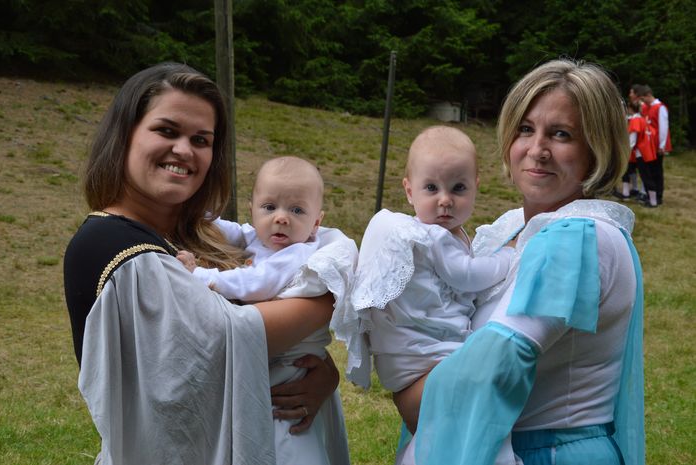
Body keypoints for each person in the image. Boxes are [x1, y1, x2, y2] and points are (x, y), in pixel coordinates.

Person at [63, 62, 342, 465]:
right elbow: (216, 340)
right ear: (125, 134)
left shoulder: (202, 235)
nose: (184, 150)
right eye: (166, 130)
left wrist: (320, 370)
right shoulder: (109, 244)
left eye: (201, 139)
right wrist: (328, 297)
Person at [397, 59, 644, 465]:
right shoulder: (512, 229)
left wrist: (403, 388)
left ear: (596, 148)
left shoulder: (576, 238)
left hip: (549, 453)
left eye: (561, 134)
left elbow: (490, 369)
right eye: (526, 129)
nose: (537, 150)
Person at [347, 126, 515, 464]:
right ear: (409, 191)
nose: (445, 200)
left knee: (444, 437)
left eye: (458, 188)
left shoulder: (447, 233)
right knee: (478, 403)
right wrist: (509, 257)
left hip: (408, 365)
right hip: (424, 356)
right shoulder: (431, 236)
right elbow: (468, 275)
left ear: (476, 186)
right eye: (431, 188)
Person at [177, 155, 355, 465]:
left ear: (316, 222)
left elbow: (256, 283)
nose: (281, 218)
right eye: (269, 207)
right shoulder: (258, 237)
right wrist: (200, 217)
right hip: (264, 353)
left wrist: (201, 276)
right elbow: (231, 231)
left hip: (287, 363)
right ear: (253, 210)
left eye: (297, 210)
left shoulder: (297, 252)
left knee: (283, 435)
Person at [637, 85, 671, 205]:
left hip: (656, 146)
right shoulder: (648, 107)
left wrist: (661, 145)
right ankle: (652, 195)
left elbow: (663, 127)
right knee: (650, 171)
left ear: (648, 95)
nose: (643, 101)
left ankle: (658, 196)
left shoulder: (660, 107)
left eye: (643, 98)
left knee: (656, 171)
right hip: (649, 145)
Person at [625, 99, 659, 208]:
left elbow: (633, 140)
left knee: (646, 177)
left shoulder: (635, 120)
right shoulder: (642, 119)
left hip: (641, 153)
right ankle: (652, 200)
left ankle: (653, 202)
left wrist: (626, 152)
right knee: (648, 176)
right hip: (648, 152)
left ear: (630, 109)